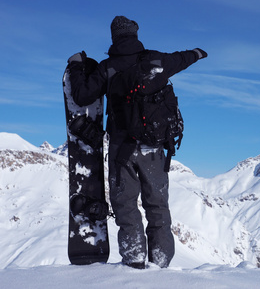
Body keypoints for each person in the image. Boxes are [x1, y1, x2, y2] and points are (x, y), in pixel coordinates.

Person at [67, 15, 207, 269]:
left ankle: (134, 263)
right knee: (158, 208)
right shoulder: (157, 60)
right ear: (135, 34)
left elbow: (82, 95)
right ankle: (161, 264)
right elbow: (182, 58)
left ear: (114, 37)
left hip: (122, 150)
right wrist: (197, 53)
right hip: (155, 148)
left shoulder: (108, 67)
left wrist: (76, 66)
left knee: (126, 208)